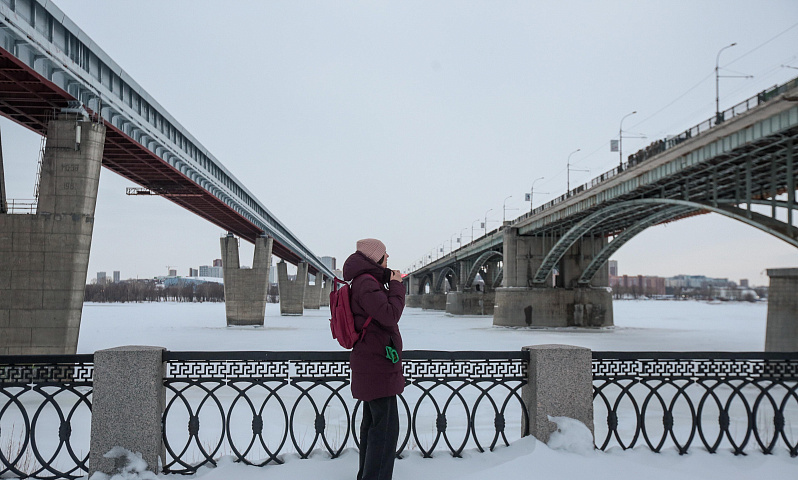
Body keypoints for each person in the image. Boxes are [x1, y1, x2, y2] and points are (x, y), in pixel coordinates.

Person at [342, 238, 405, 480]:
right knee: (385, 432)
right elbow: (389, 315)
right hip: (377, 365)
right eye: (384, 254)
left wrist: (388, 280)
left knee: (373, 427)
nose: (388, 257)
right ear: (374, 257)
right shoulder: (366, 284)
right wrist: (397, 286)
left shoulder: (365, 281)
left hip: (373, 363)